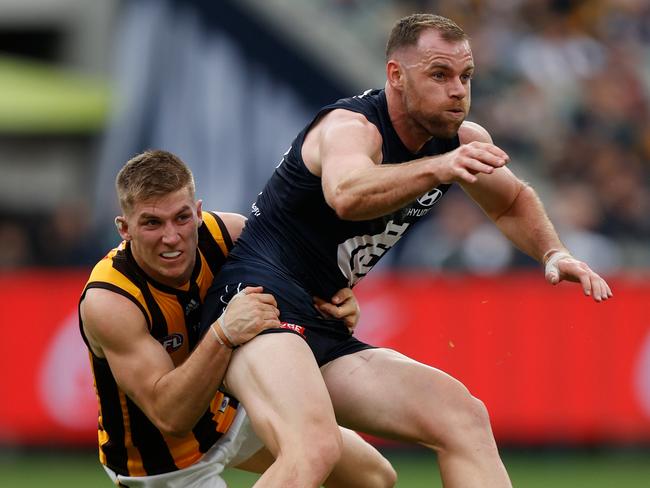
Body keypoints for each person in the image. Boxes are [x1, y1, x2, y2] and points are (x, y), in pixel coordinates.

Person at [200, 13, 613, 488]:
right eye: (439, 75)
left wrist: (553, 253)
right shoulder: (352, 127)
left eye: (466, 76)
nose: (458, 90)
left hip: (320, 322)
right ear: (396, 75)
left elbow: (512, 200)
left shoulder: (458, 142)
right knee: (313, 448)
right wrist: (441, 168)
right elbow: (347, 193)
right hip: (257, 308)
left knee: (462, 418)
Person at [79, 150, 396, 487]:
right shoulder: (110, 301)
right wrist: (223, 334)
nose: (171, 237)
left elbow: (303, 290)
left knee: (374, 477)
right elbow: (170, 416)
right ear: (125, 228)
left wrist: (340, 302)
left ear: (199, 213)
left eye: (182, 217)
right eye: (152, 223)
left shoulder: (230, 235)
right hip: (163, 463)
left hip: (230, 416)